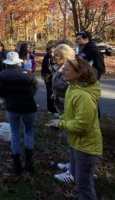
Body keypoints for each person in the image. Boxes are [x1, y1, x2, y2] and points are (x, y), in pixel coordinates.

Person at [52, 57, 102, 200]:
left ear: (79, 73)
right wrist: (60, 119)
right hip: (76, 141)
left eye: (67, 69)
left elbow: (82, 125)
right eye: (63, 69)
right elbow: (69, 113)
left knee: (84, 184)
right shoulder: (72, 87)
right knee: (80, 181)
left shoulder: (83, 96)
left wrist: (60, 124)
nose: (63, 72)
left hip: (86, 146)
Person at [0, 51, 39, 174]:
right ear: (18, 62)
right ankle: (29, 161)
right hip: (29, 107)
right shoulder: (29, 74)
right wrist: (29, 96)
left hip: (12, 107)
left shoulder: (3, 74)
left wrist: (7, 98)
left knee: (15, 134)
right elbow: (36, 87)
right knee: (29, 132)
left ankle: (17, 164)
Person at [51, 44, 76, 181]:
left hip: (70, 111)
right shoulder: (59, 68)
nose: (53, 57)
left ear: (65, 57)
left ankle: (74, 172)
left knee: (72, 140)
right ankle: (72, 164)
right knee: (69, 139)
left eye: (57, 55)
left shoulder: (71, 71)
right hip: (62, 110)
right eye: (54, 54)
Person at [41, 43, 57, 114]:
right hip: (49, 78)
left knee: (56, 94)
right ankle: (50, 109)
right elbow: (43, 68)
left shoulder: (59, 58)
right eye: (50, 52)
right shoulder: (46, 58)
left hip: (56, 78)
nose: (52, 53)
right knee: (49, 93)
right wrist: (43, 75)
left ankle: (56, 109)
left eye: (53, 52)